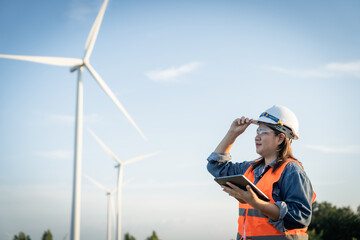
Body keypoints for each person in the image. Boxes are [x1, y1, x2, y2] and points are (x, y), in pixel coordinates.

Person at [207, 105, 315, 240]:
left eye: (263, 132)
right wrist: (232, 133)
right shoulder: (249, 169)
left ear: (280, 138)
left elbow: (300, 217)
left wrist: (256, 203)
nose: (257, 137)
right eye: (257, 131)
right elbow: (215, 166)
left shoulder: (292, 171)